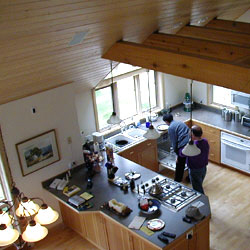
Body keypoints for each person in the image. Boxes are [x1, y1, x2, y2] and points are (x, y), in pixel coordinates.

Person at [181, 125, 209, 194]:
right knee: (199, 184)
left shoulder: (193, 146)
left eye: (190, 132)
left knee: (198, 190)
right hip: (203, 168)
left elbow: (182, 153)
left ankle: (202, 202)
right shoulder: (205, 141)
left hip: (195, 169)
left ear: (193, 135)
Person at [163, 113, 190, 182]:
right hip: (190, 142)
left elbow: (174, 142)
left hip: (183, 146)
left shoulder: (171, 128)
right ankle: (189, 178)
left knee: (180, 165)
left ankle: (177, 181)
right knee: (190, 161)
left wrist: (177, 154)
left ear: (166, 121)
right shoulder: (179, 122)